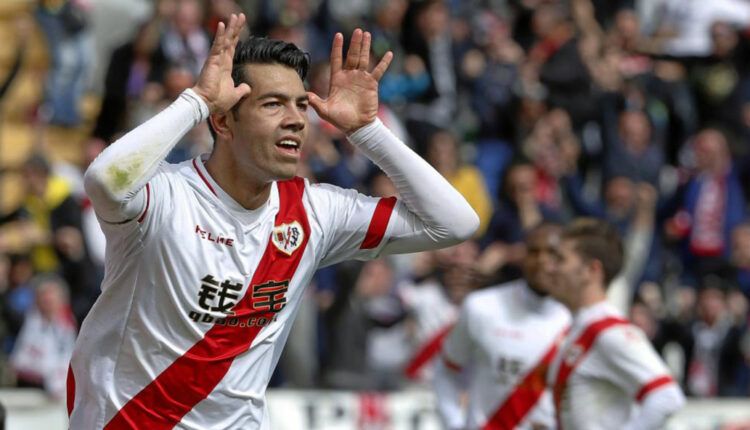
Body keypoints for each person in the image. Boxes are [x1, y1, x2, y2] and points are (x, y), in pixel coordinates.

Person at [69, 14, 479, 429]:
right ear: (224, 120)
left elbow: (453, 223)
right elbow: (105, 179)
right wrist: (196, 101)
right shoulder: (164, 196)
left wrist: (366, 130)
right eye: (273, 104)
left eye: (301, 105)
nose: (297, 120)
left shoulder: (315, 212)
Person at [547, 218, 685, 430]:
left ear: (592, 270)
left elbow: (667, 397)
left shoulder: (608, 332)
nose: (550, 268)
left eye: (561, 260)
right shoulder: (579, 329)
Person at [433, 223, 571, 430]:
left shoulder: (578, 320)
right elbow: (446, 372)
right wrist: (454, 423)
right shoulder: (481, 307)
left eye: (552, 253)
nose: (542, 260)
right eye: (534, 251)